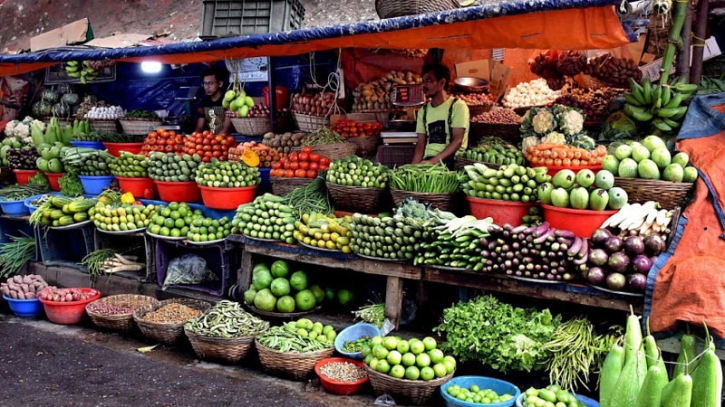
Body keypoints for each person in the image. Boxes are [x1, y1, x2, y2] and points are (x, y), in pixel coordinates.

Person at [412, 63, 470, 168]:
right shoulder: (423, 111)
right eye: (423, 81)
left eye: (428, 81)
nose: (424, 85)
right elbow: (420, 145)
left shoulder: (458, 106)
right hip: (428, 161)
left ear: (442, 83)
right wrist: (412, 168)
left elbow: (457, 140)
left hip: (452, 161)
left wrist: (433, 162)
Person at [194, 66, 232, 134]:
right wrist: (194, 137)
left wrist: (217, 140)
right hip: (208, 140)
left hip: (225, 139)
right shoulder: (203, 102)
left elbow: (226, 128)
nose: (207, 87)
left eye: (210, 83)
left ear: (220, 84)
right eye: (205, 83)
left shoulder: (227, 101)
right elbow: (199, 127)